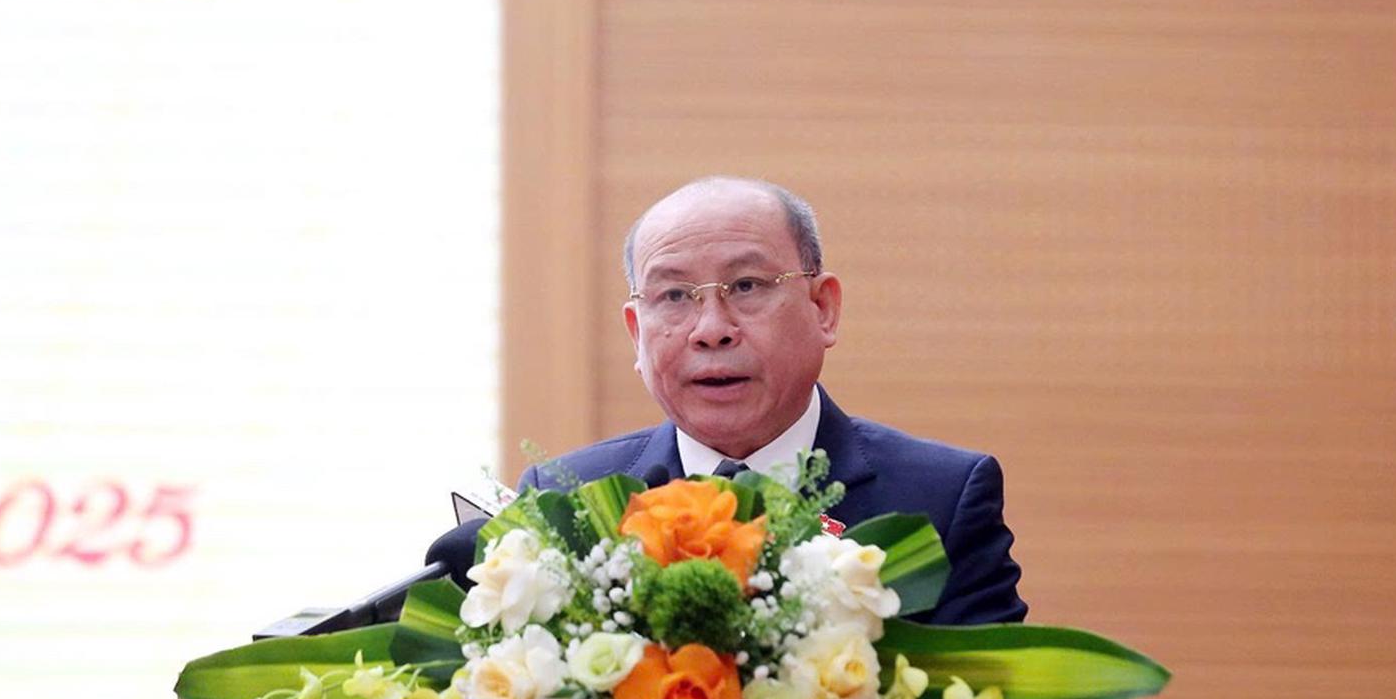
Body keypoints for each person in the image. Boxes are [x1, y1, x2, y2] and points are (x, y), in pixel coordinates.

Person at [433, 176, 1026, 625]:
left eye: (746, 286)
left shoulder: (943, 499)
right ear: (637, 334)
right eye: (674, 296)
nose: (711, 329)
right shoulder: (567, 504)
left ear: (823, 308)